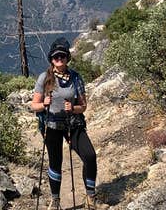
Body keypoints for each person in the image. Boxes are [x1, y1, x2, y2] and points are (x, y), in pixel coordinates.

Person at [30, 37, 108, 210]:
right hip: (51, 126)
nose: (59, 59)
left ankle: (91, 198)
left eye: (62, 56)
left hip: (73, 123)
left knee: (90, 156)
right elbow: (34, 105)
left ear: (67, 58)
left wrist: (73, 108)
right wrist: (44, 104)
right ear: (51, 59)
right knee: (55, 162)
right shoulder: (44, 78)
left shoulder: (76, 77)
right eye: (56, 56)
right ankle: (55, 201)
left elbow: (83, 106)